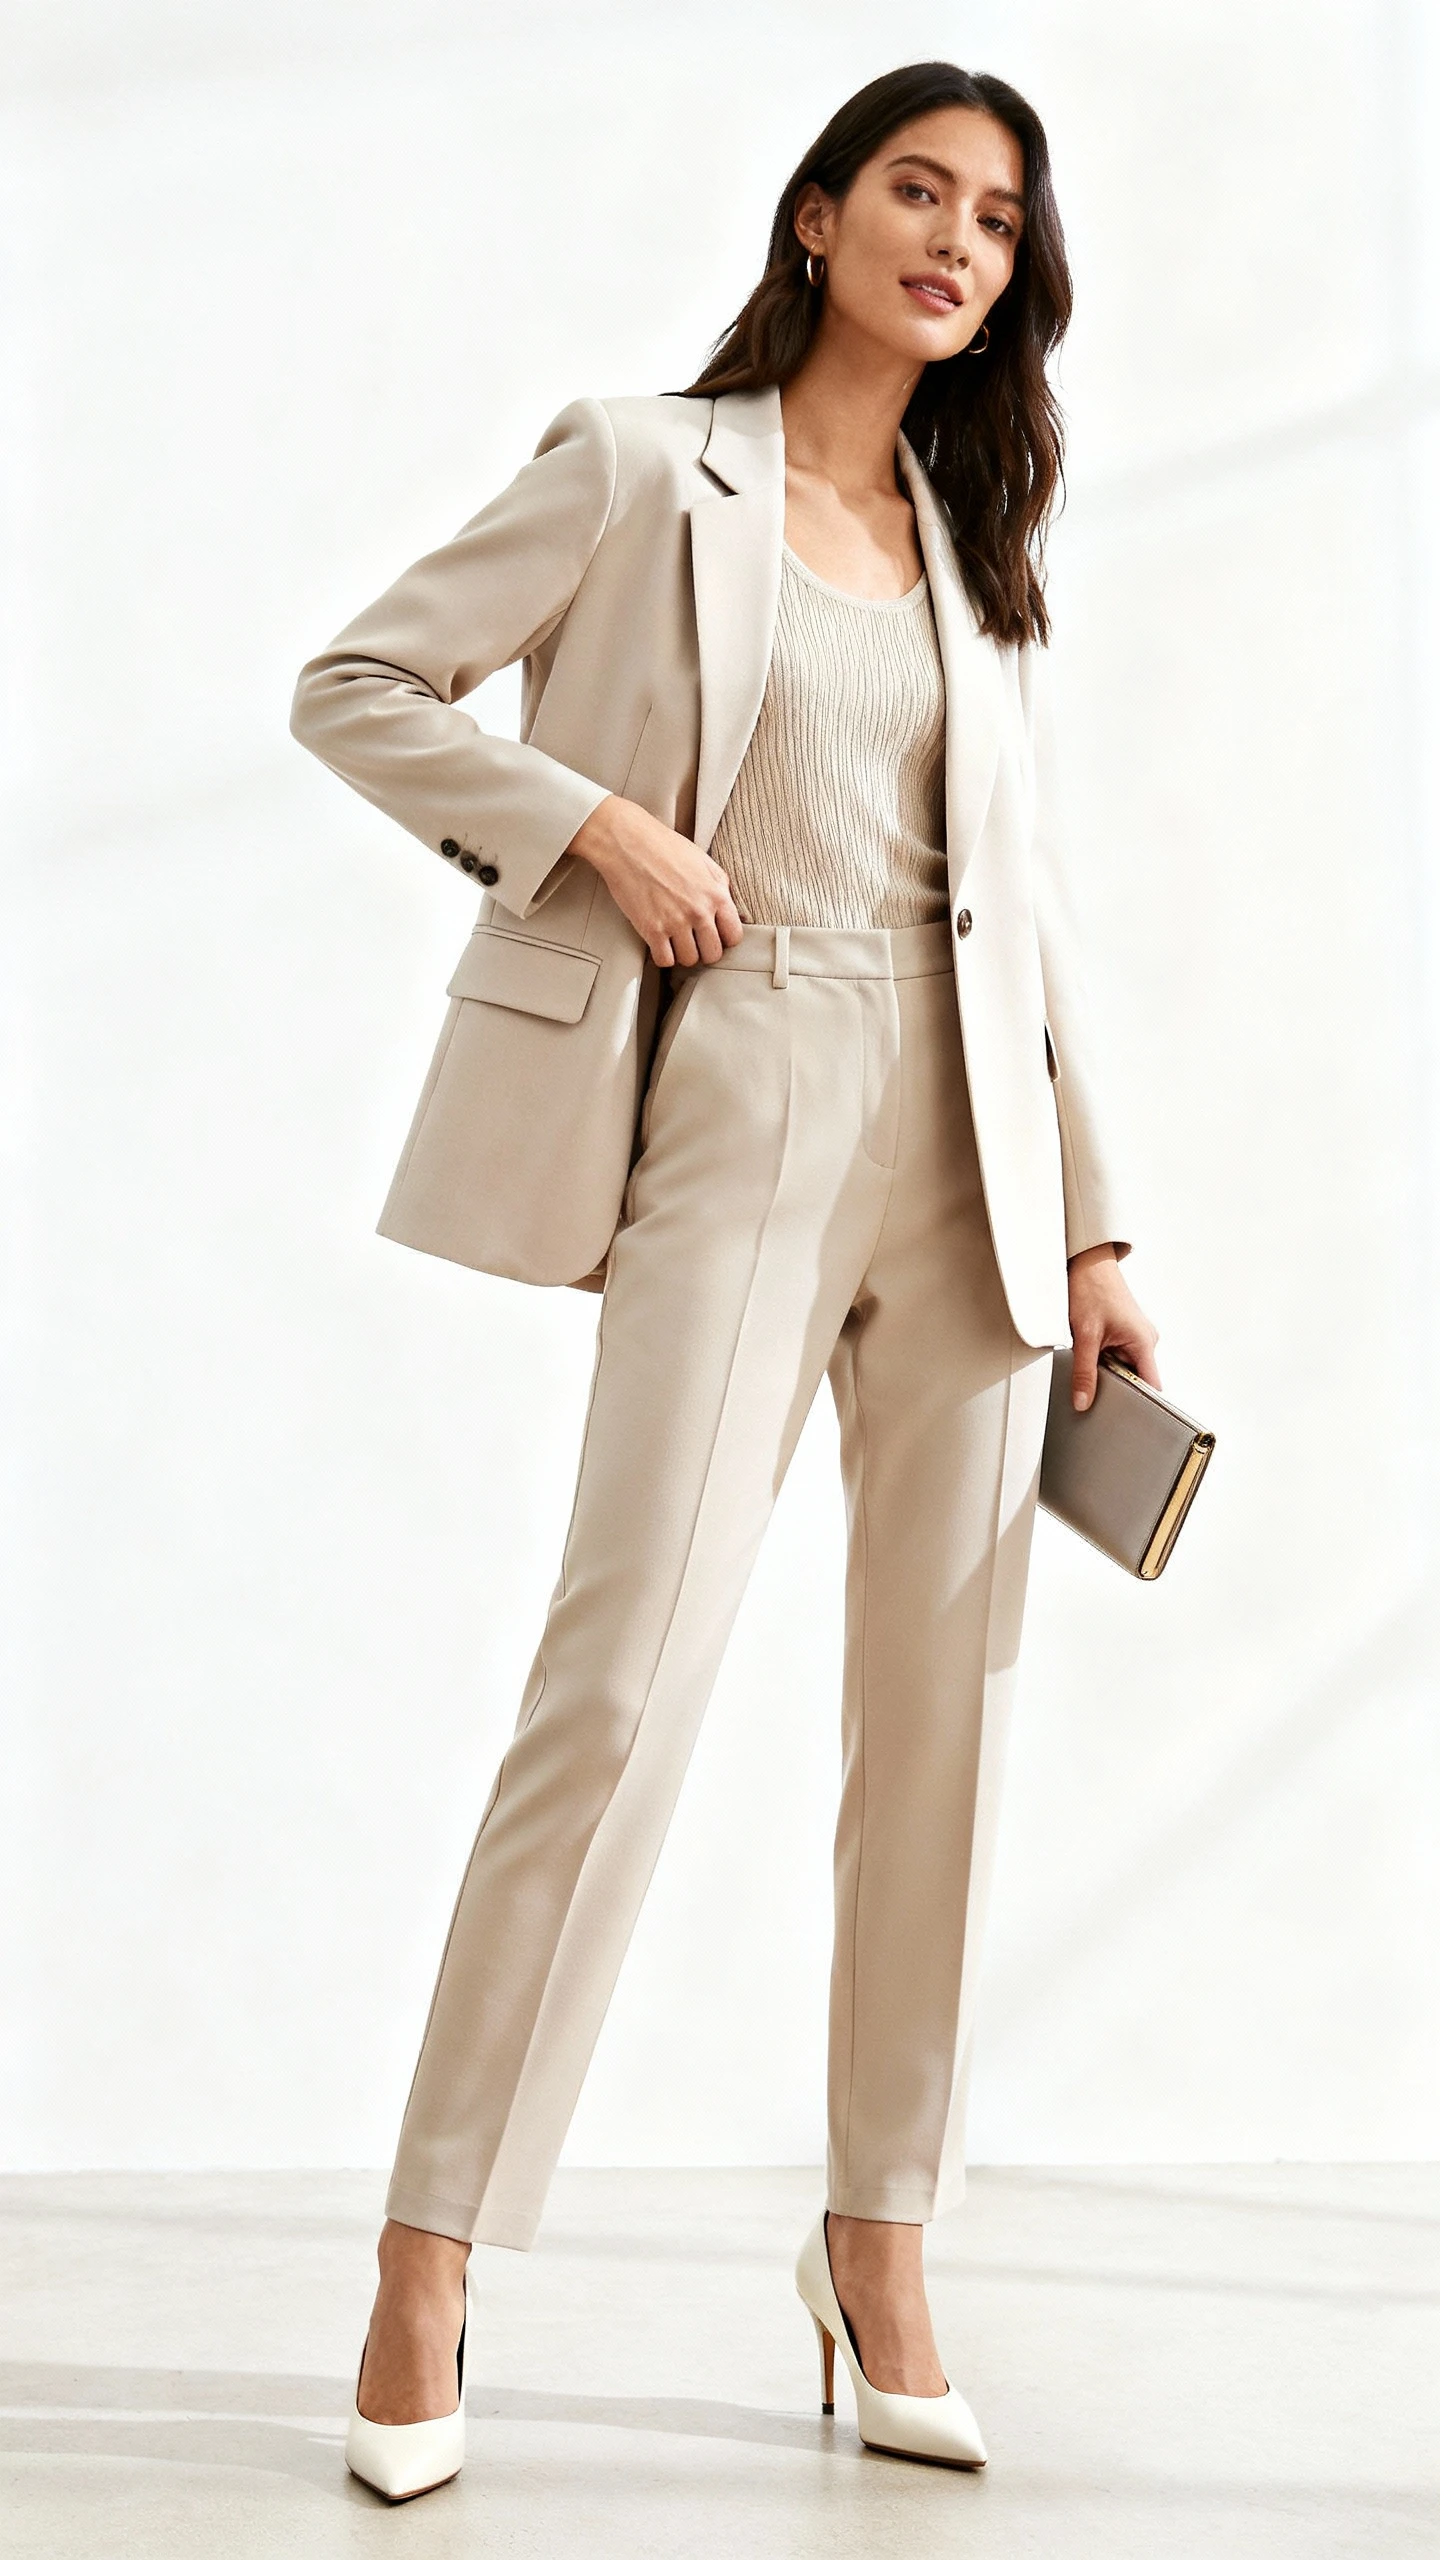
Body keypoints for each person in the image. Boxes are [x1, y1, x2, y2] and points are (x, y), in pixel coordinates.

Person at [290, 58, 1160, 2501]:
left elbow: (1040, 911)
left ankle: (882, 2237)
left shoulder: (979, 539)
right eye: (918, 190)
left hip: (976, 1158)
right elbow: (356, 684)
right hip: (744, 1086)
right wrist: (588, 829)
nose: (957, 242)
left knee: (943, 1736)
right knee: (622, 1681)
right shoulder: (638, 462)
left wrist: (1098, 1215)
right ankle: (430, 2240)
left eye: (996, 217)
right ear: (814, 217)